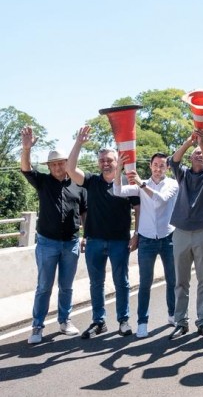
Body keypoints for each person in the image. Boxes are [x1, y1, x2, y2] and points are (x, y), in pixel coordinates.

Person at [65, 125, 140, 339]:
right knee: (96, 283)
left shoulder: (128, 182)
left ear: (118, 162)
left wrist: (137, 234)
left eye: (110, 160)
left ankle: (123, 321)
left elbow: (138, 209)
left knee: (121, 282)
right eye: (102, 160)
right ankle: (99, 321)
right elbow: (70, 169)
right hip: (95, 241)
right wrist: (79, 142)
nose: (106, 163)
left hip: (119, 242)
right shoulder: (91, 181)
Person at [21, 127, 87, 344]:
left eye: (61, 163)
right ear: (49, 167)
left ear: (68, 164)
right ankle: (37, 326)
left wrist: (86, 235)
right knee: (44, 287)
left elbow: (84, 211)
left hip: (71, 243)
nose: (58, 167)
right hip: (47, 243)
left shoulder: (79, 184)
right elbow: (26, 168)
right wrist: (27, 149)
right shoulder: (43, 182)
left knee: (66, 286)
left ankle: (65, 320)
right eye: (54, 164)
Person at [112, 152, 179, 339]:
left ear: (167, 167)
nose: (158, 169)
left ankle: (173, 314)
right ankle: (142, 322)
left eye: (162, 165)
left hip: (168, 237)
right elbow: (117, 191)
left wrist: (141, 184)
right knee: (145, 284)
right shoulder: (141, 184)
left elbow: (160, 200)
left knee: (172, 280)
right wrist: (119, 170)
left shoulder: (172, 184)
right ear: (150, 166)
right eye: (155, 165)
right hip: (147, 239)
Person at [167, 131, 203, 339]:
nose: (198, 155)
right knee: (181, 281)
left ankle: (202, 321)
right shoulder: (183, 174)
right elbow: (173, 161)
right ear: (190, 157)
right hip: (180, 232)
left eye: (202, 154)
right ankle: (181, 322)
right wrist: (190, 142)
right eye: (195, 153)